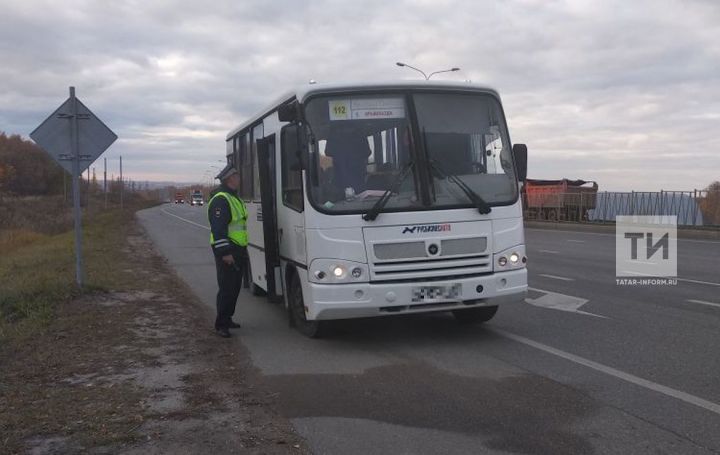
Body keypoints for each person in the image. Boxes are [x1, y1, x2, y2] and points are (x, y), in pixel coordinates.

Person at [207, 164, 248, 338]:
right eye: (237, 176)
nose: (239, 179)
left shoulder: (233, 197)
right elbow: (218, 229)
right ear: (229, 179)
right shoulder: (221, 199)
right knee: (226, 288)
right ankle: (221, 324)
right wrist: (225, 253)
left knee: (235, 287)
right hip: (228, 250)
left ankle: (228, 318)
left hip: (238, 248)